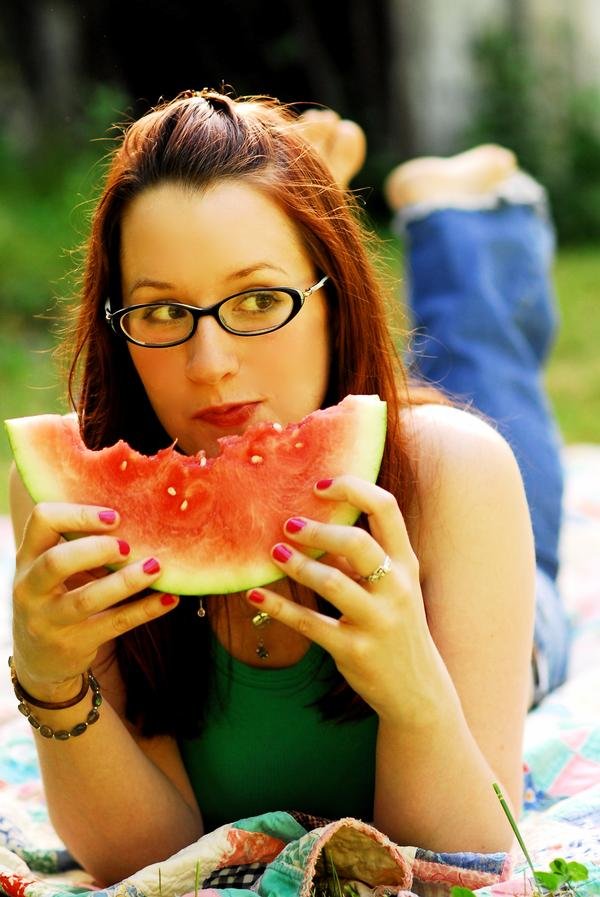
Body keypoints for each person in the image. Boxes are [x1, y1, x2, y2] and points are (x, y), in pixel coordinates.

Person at [7, 89, 564, 886]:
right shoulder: (70, 507)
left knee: (486, 385)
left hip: (502, 604)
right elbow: (146, 859)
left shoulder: (458, 475)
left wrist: (412, 684)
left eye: (260, 300)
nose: (210, 365)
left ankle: (455, 216)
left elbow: (464, 855)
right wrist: (50, 679)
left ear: (336, 298)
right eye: (161, 311)